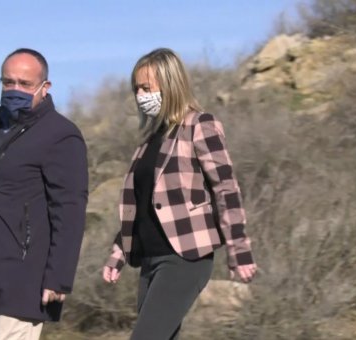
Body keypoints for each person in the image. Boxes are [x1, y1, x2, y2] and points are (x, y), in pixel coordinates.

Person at [102, 48, 257, 340]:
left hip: (185, 257)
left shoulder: (200, 126)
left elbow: (226, 189)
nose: (140, 95)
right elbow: (139, 207)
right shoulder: (146, 142)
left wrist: (239, 251)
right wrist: (118, 254)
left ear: (170, 84)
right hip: (150, 261)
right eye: (136, 88)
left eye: (147, 87)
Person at [0, 48, 89, 340]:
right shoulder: (0, 134)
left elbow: (70, 209)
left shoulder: (60, 135)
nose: (14, 89)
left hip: (24, 277)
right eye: (8, 82)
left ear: (45, 87)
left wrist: (59, 278)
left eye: (25, 83)